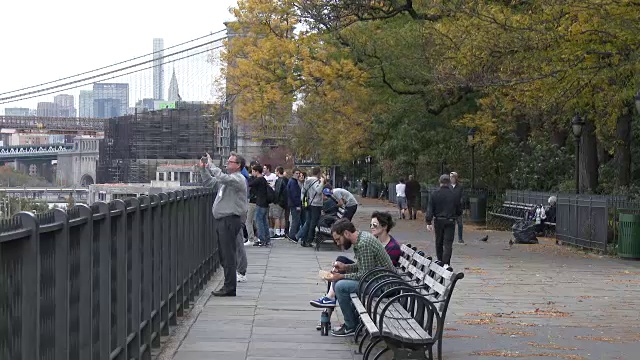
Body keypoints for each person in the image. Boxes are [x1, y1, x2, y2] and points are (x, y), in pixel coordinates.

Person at [310, 218, 395, 337]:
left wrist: (342, 276)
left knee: (340, 286)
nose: (338, 243)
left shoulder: (364, 244)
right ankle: (350, 320)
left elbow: (365, 275)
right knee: (338, 282)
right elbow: (363, 267)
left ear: (346, 233)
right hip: (377, 281)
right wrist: (345, 267)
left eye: (338, 239)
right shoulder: (361, 238)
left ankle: (351, 326)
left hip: (383, 286)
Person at [199, 152, 248, 297]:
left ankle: (229, 287)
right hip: (223, 220)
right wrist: (203, 169)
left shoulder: (238, 179)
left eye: (231, 161)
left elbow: (221, 177)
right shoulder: (227, 180)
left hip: (230, 220)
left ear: (238, 165)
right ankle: (228, 284)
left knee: (228, 254)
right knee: (223, 253)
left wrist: (211, 164)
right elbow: (210, 182)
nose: (227, 163)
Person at [425, 174, 462, 266]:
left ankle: (440, 261)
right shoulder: (454, 194)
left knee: (439, 242)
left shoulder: (434, 194)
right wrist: (455, 215)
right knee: (448, 243)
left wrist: (429, 221)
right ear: (449, 182)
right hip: (450, 220)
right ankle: (446, 263)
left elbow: (430, 208)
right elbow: (459, 209)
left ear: (440, 182)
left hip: (438, 220)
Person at [300, 167, 325, 247]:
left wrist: (304, 200)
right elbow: (318, 190)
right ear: (318, 173)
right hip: (316, 204)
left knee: (309, 221)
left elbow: (303, 191)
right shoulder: (315, 181)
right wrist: (322, 182)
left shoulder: (307, 180)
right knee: (313, 223)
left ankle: (304, 239)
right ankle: (309, 240)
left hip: (309, 203)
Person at [248, 165, 271, 247]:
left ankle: (262, 239)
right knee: (264, 221)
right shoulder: (263, 179)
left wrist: (250, 177)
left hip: (260, 203)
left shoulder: (259, 179)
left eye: (253, 171)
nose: (252, 173)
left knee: (259, 221)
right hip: (265, 203)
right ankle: (267, 239)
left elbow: (250, 184)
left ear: (257, 171)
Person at [272, 166, 288, 238]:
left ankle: (277, 233)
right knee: (283, 218)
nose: (275, 173)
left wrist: (275, 200)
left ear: (278, 172)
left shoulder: (279, 180)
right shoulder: (286, 180)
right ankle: (282, 232)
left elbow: (277, 192)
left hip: (279, 201)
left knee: (277, 217)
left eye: (276, 171)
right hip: (285, 202)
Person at [286, 168, 302, 242]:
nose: (298, 175)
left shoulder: (292, 181)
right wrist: (297, 205)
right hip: (294, 204)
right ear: (293, 173)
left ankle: (293, 234)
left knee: (296, 220)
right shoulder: (293, 182)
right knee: (296, 220)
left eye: (299, 173)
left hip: (292, 203)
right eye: (296, 173)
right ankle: (292, 235)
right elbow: (294, 194)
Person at [450, 172, 464, 244]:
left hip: (458, 208)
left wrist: (461, 203)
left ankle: (460, 238)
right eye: (450, 177)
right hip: (450, 209)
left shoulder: (460, 187)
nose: (451, 179)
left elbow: (462, 196)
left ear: (456, 178)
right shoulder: (448, 186)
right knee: (451, 225)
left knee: (460, 224)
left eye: (452, 177)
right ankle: (450, 238)